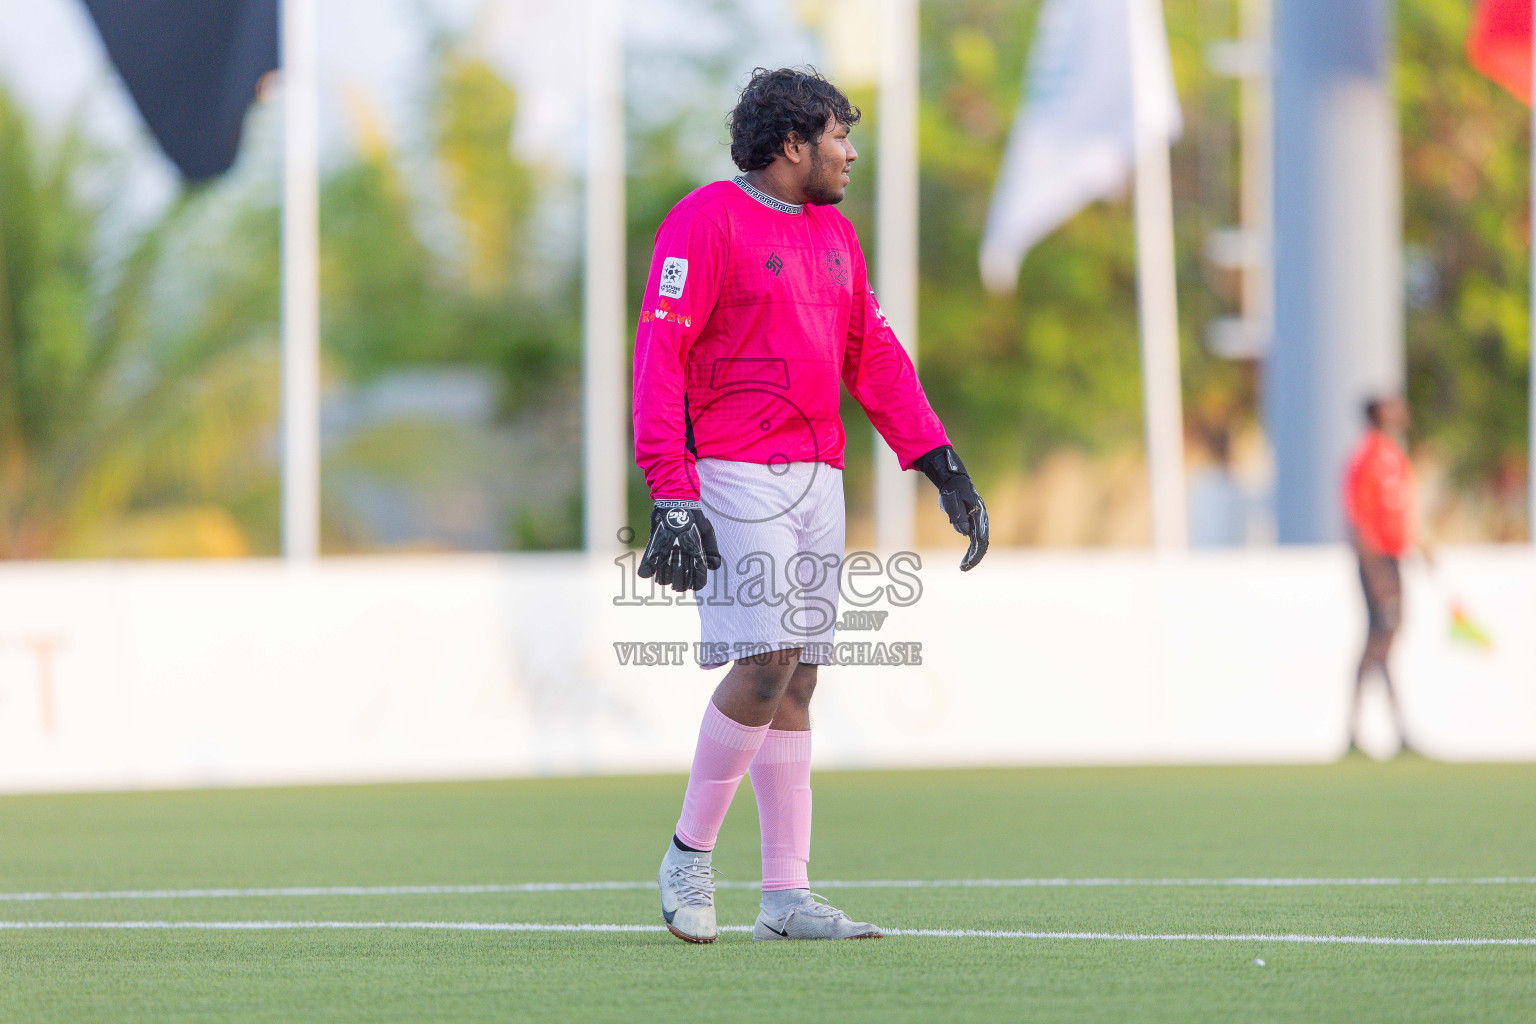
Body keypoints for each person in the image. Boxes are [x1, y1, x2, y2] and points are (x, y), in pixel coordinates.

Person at [631, 67, 988, 944]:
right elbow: (660, 353)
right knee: (766, 660)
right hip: (734, 471)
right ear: (792, 144)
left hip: (819, 476)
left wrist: (939, 461)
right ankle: (688, 855)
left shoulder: (836, 234)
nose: (850, 153)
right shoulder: (705, 220)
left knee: (800, 677)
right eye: (838, 136)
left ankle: (786, 898)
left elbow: (874, 355)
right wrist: (671, 490)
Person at [1342, 395, 1417, 754]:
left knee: (1386, 639)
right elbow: (1358, 517)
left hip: (1393, 557)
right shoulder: (1368, 457)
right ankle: (1355, 728)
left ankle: (1396, 729)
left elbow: (1401, 509)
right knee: (1379, 638)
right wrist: (1375, 571)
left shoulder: (1394, 456)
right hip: (1377, 562)